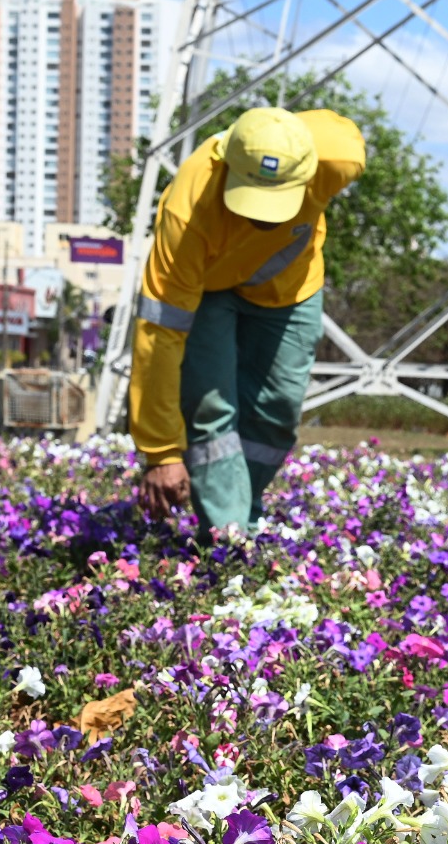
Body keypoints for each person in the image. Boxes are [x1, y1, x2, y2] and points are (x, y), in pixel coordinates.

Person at [129, 106, 366, 537]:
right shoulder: (188, 209)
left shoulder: (338, 156)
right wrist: (162, 452)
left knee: (278, 409)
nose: (263, 216)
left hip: (289, 286)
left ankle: (245, 510)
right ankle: (230, 539)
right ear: (227, 165)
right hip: (208, 291)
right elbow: (159, 335)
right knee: (210, 407)